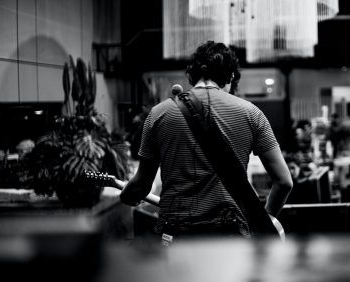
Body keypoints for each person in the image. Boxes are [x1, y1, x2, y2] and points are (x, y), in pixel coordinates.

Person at [120, 41, 293, 239]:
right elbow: (284, 182)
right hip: (231, 236)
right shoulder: (252, 113)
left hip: (178, 235)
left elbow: (141, 186)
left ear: (192, 75)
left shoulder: (159, 113)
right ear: (231, 76)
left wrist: (127, 194)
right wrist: (265, 219)